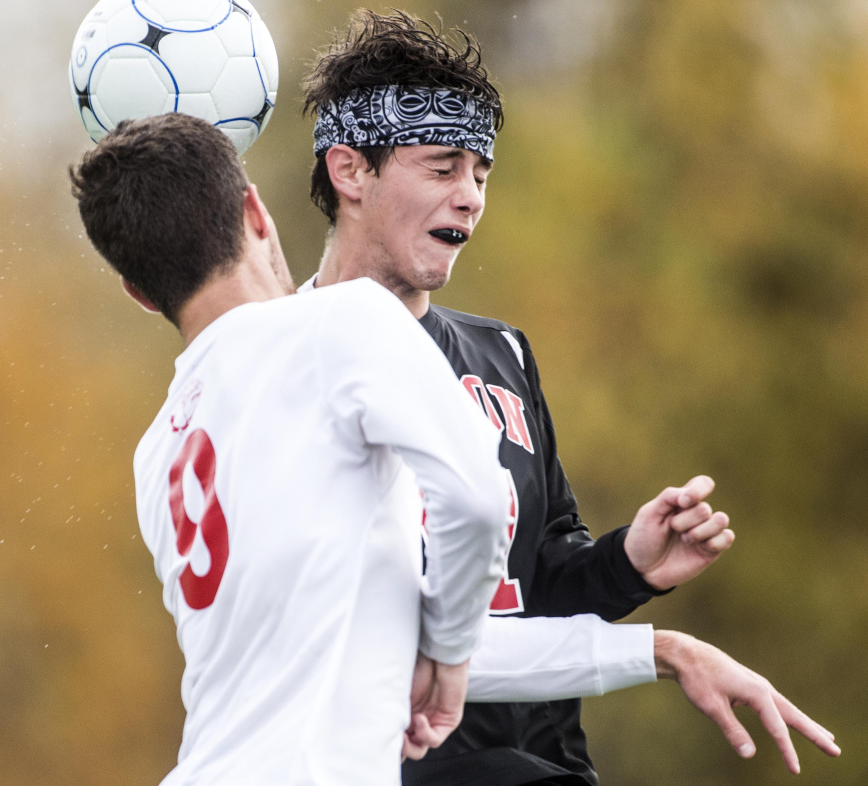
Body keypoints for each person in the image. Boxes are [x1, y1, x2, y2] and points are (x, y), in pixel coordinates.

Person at [300, 10, 840, 784]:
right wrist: (659, 652)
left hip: (541, 758)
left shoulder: (503, 354)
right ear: (350, 171)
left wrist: (630, 563)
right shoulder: (285, 363)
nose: (471, 198)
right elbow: (370, 643)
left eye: (481, 173)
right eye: (442, 166)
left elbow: (542, 585)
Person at [68, 113, 515, 785]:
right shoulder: (345, 320)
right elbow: (478, 502)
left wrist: (642, 652)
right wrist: (450, 655)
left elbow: (347, 627)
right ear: (255, 210)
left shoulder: (156, 452)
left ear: (138, 292)